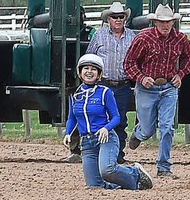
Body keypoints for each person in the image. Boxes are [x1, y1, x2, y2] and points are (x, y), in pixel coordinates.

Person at [123, 4, 190, 179]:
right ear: (155, 22)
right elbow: (129, 63)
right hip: (147, 88)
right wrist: (141, 77)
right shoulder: (144, 38)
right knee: (148, 129)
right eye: (161, 22)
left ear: (173, 22)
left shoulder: (180, 39)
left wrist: (180, 74)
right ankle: (139, 133)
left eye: (168, 22)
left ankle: (163, 167)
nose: (165, 25)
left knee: (167, 127)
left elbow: (189, 58)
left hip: (169, 87)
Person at [65, 54, 153, 190]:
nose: (89, 72)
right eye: (86, 68)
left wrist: (106, 128)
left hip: (106, 139)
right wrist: (68, 133)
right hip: (87, 143)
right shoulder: (74, 94)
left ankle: (135, 174)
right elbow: (72, 118)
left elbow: (116, 117)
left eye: (93, 69)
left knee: (107, 170)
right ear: (80, 72)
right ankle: (126, 184)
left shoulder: (105, 92)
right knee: (94, 186)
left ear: (99, 73)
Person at [85, 0, 138, 165]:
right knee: (99, 118)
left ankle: (118, 155)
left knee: (120, 120)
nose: (118, 19)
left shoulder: (132, 36)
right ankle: (98, 153)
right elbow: (90, 57)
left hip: (122, 84)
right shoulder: (99, 35)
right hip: (103, 84)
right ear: (108, 19)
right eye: (114, 17)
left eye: (121, 16)